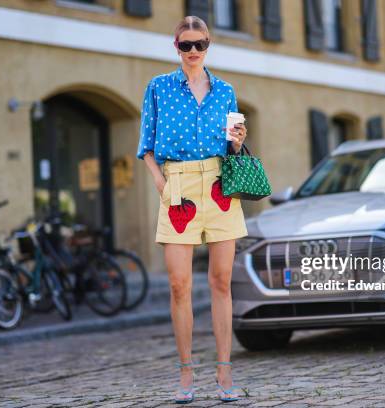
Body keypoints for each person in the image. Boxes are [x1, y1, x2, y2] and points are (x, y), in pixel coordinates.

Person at [136, 15, 248, 404]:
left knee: (221, 282)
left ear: (208, 46)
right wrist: (159, 181)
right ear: (176, 48)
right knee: (178, 284)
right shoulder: (159, 88)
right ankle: (186, 373)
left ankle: (224, 370)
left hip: (219, 184)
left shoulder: (225, 91)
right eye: (187, 45)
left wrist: (237, 142)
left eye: (200, 44)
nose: (194, 52)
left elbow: (232, 147)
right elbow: (145, 144)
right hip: (178, 184)